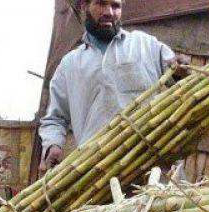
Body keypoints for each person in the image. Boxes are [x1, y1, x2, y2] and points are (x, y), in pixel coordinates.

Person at [38, 0, 178, 174]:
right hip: (96, 171)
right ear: (84, 7)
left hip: (151, 166)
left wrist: (181, 68)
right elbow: (54, 119)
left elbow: (177, 74)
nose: (109, 12)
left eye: (115, 6)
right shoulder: (69, 65)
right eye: (101, 4)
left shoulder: (146, 45)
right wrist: (53, 144)